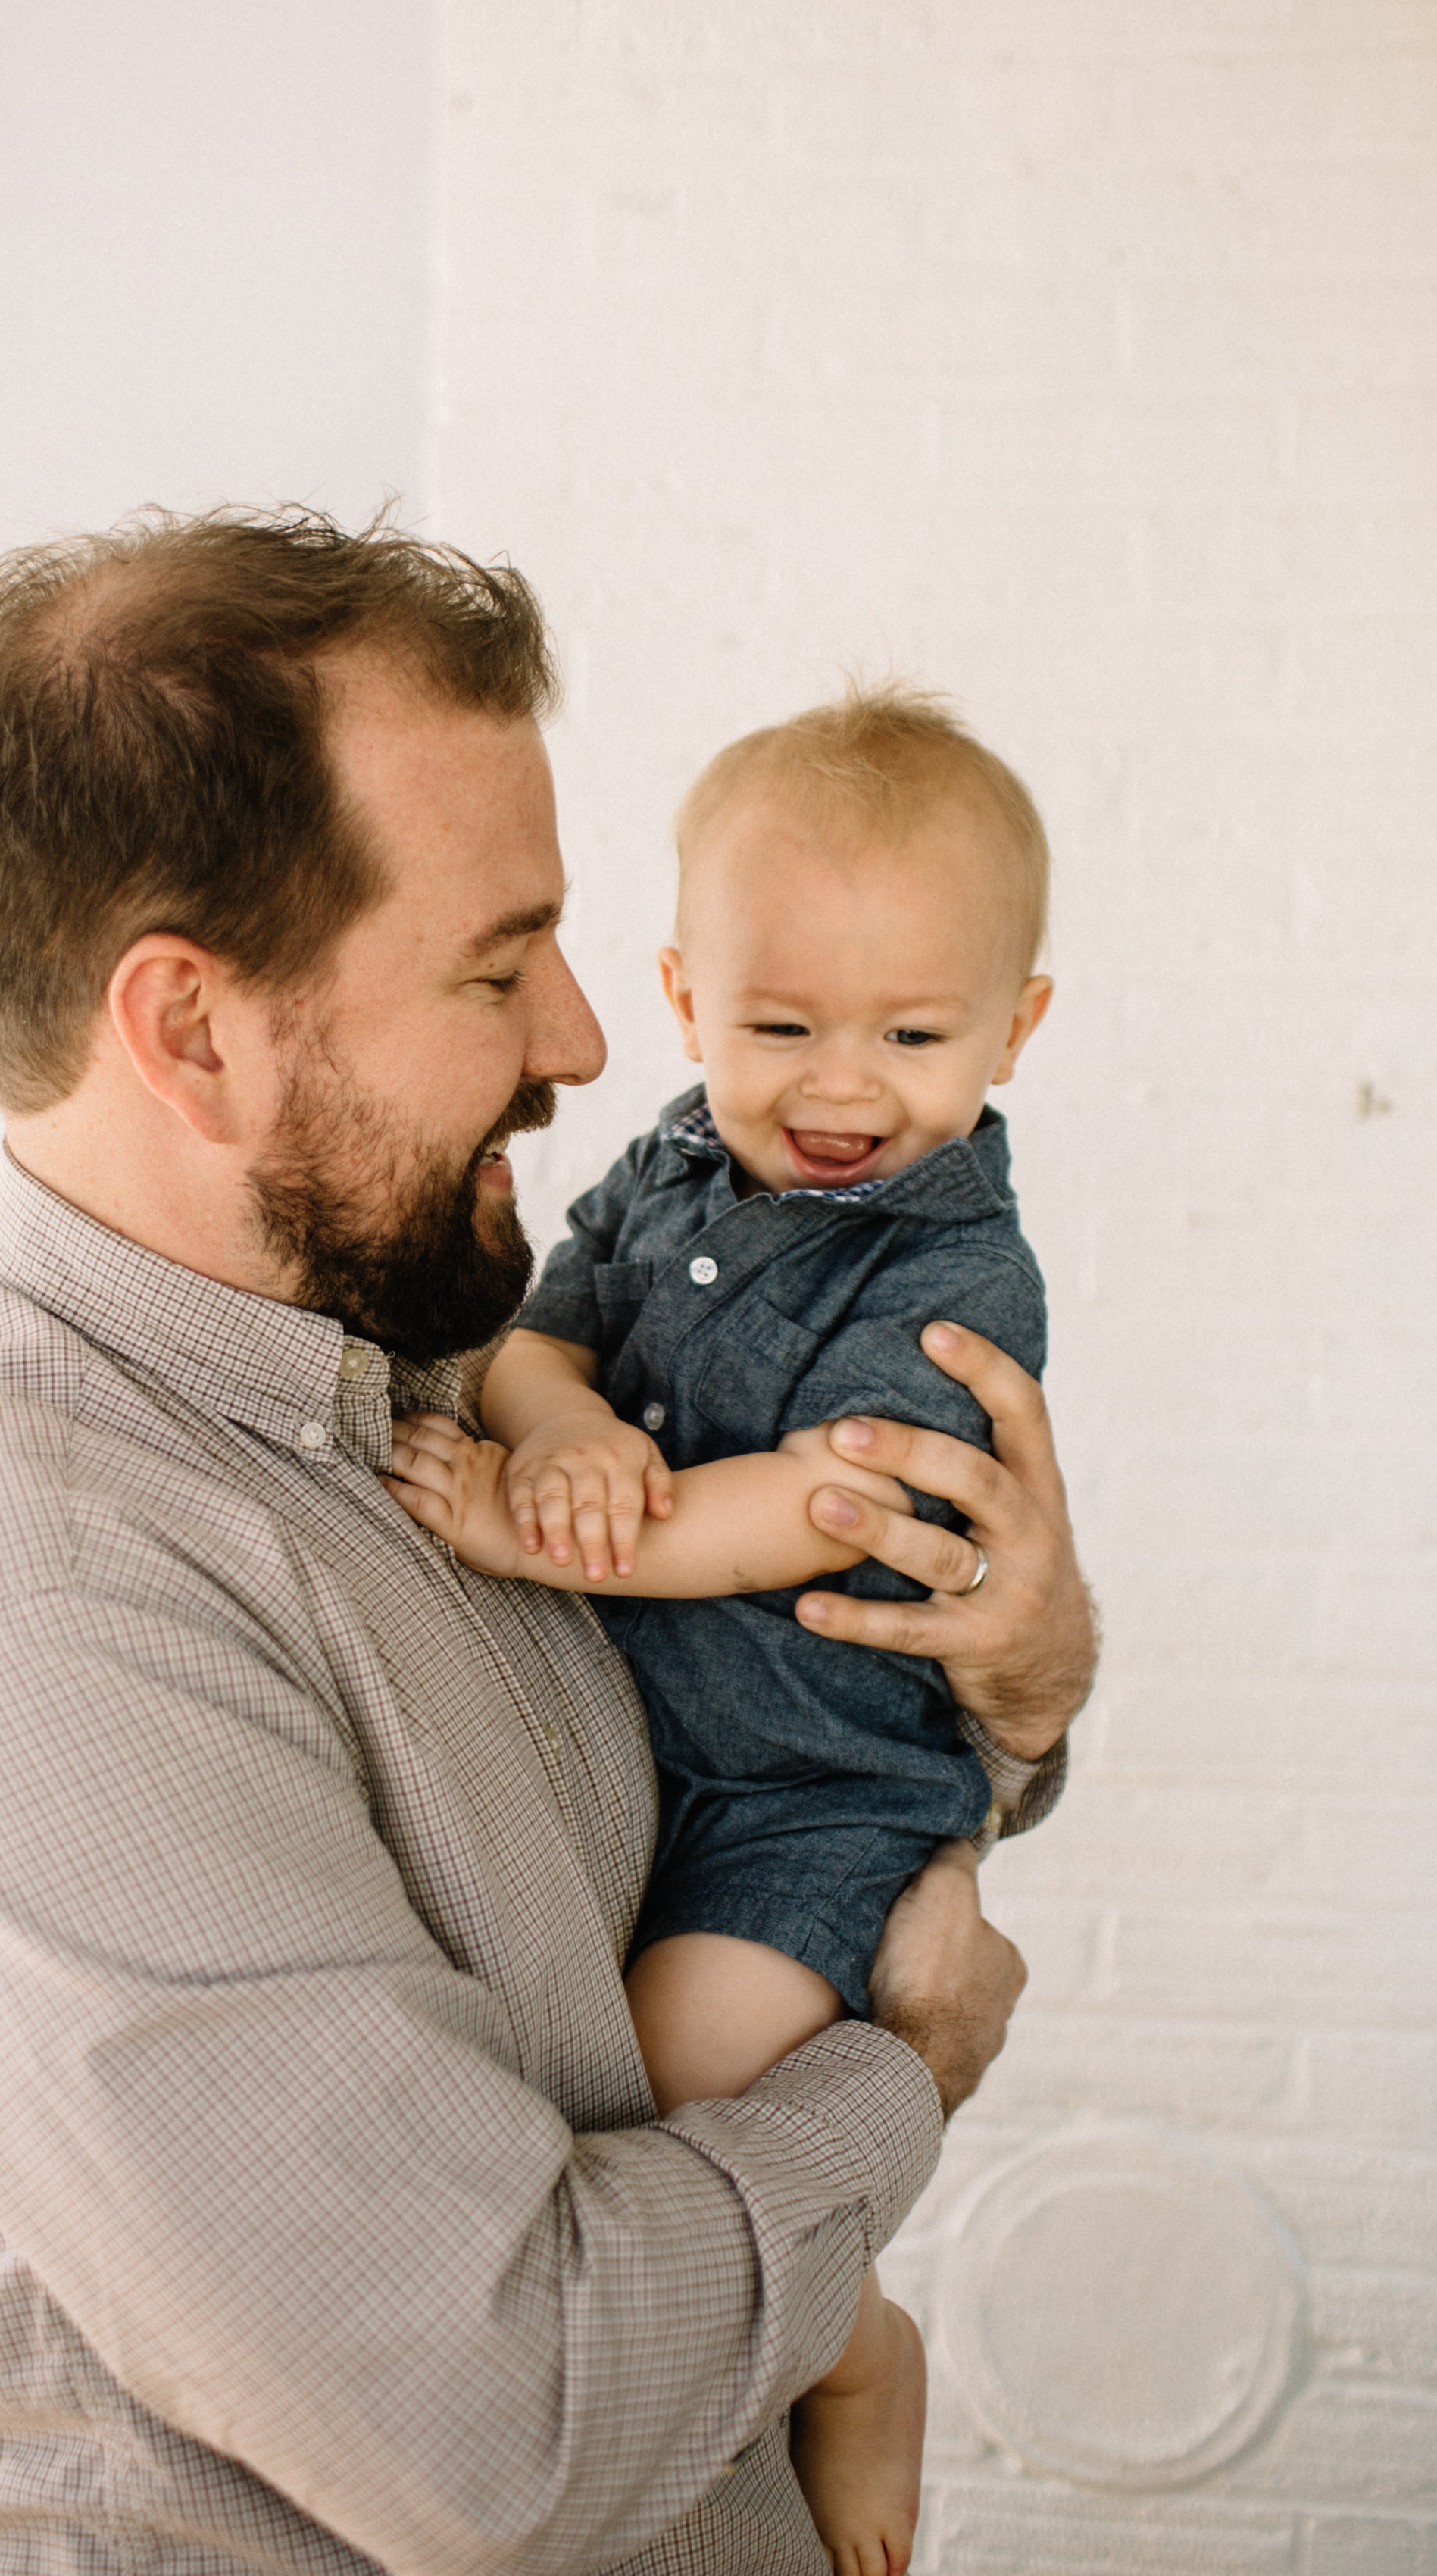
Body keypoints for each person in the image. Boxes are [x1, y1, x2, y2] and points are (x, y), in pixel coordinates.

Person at [0, 508, 1096, 2576]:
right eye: (495, 962)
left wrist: (1020, 1686)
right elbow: (508, 2427)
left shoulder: (436, 1359)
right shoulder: (29, 1619)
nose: (578, 1037)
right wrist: (895, 2075)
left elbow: (771, 1711)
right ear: (193, 1029)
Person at [384, 688, 1054, 2574]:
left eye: (913, 1037)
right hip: (656, 1757)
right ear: (685, 1000)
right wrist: (567, 1426)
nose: (838, 1087)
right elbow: (536, 1336)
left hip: (807, 1790)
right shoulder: (675, 1164)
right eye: (779, 1027)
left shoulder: (948, 1266)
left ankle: (855, 2352)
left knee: (670, 2105)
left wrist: (541, 1534)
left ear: (1016, 1029)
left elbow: (815, 1505)